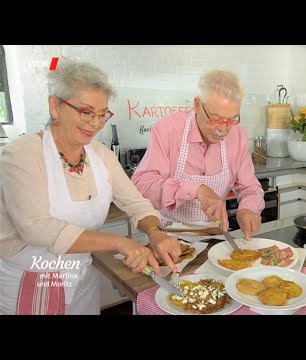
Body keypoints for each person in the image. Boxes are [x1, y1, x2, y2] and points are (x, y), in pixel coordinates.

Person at [0, 58, 180, 315]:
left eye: (102, 114)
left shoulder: (100, 154)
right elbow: (37, 229)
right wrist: (120, 243)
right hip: (35, 278)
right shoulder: (22, 153)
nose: (96, 123)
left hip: (84, 275)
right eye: (86, 112)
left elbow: (135, 202)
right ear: (55, 106)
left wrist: (155, 231)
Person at [132, 69, 265, 238]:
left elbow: (250, 187)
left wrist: (248, 209)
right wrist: (197, 190)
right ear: (197, 105)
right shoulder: (167, 130)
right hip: (168, 237)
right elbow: (142, 185)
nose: (223, 129)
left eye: (231, 120)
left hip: (216, 237)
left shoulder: (237, 136)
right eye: (216, 119)